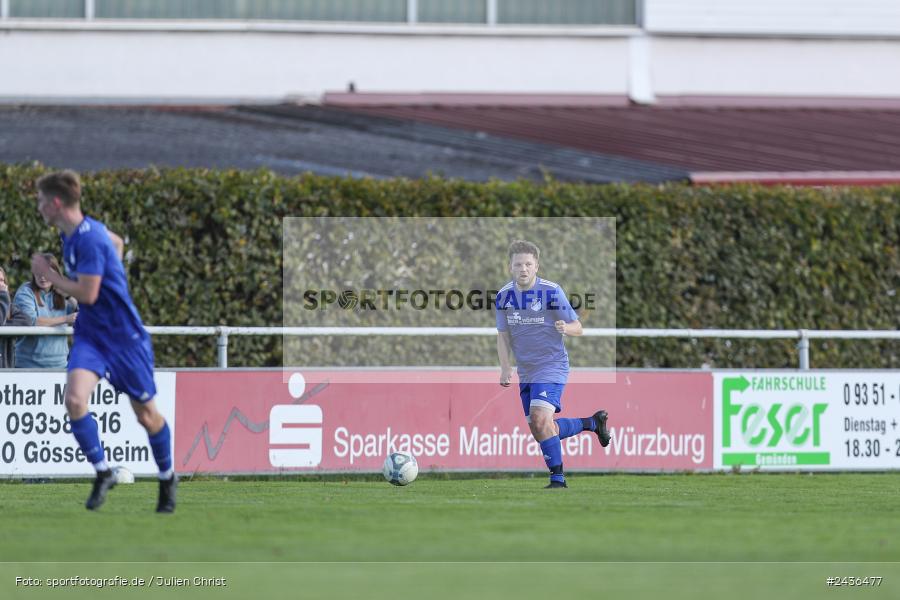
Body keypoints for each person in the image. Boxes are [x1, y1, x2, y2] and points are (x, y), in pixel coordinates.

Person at [31, 170, 177, 512]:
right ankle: (102, 472)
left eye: (40, 201)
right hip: (92, 337)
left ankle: (168, 477)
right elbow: (119, 242)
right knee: (74, 400)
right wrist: (115, 273)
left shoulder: (90, 239)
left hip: (124, 338)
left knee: (147, 416)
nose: (38, 207)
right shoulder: (75, 233)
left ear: (56, 203)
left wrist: (50, 276)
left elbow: (88, 294)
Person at [495, 240, 611, 489]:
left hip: (551, 365)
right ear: (510, 267)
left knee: (540, 420)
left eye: (528, 264)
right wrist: (505, 367)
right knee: (542, 429)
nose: (523, 269)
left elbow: (578, 327)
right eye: (518, 264)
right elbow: (502, 336)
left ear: (536, 266)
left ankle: (558, 480)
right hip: (526, 371)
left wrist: (565, 327)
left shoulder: (551, 291)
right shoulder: (504, 296)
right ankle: (592, 423)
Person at [14, 253, 78, 369]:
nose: (42, 277)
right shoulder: (25, 292)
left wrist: (69, 296)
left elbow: (84, 313)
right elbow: (32, 321)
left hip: (60, 365)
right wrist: (65, 319)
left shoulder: (62, 292)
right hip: (28, 367)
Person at [0, 266, 34, 368]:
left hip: (5, 369)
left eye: (2, 280)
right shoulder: (5, 301)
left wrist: (3, 328)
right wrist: (3, 296)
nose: (1, 284)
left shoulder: (9, 307)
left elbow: (27, 321)